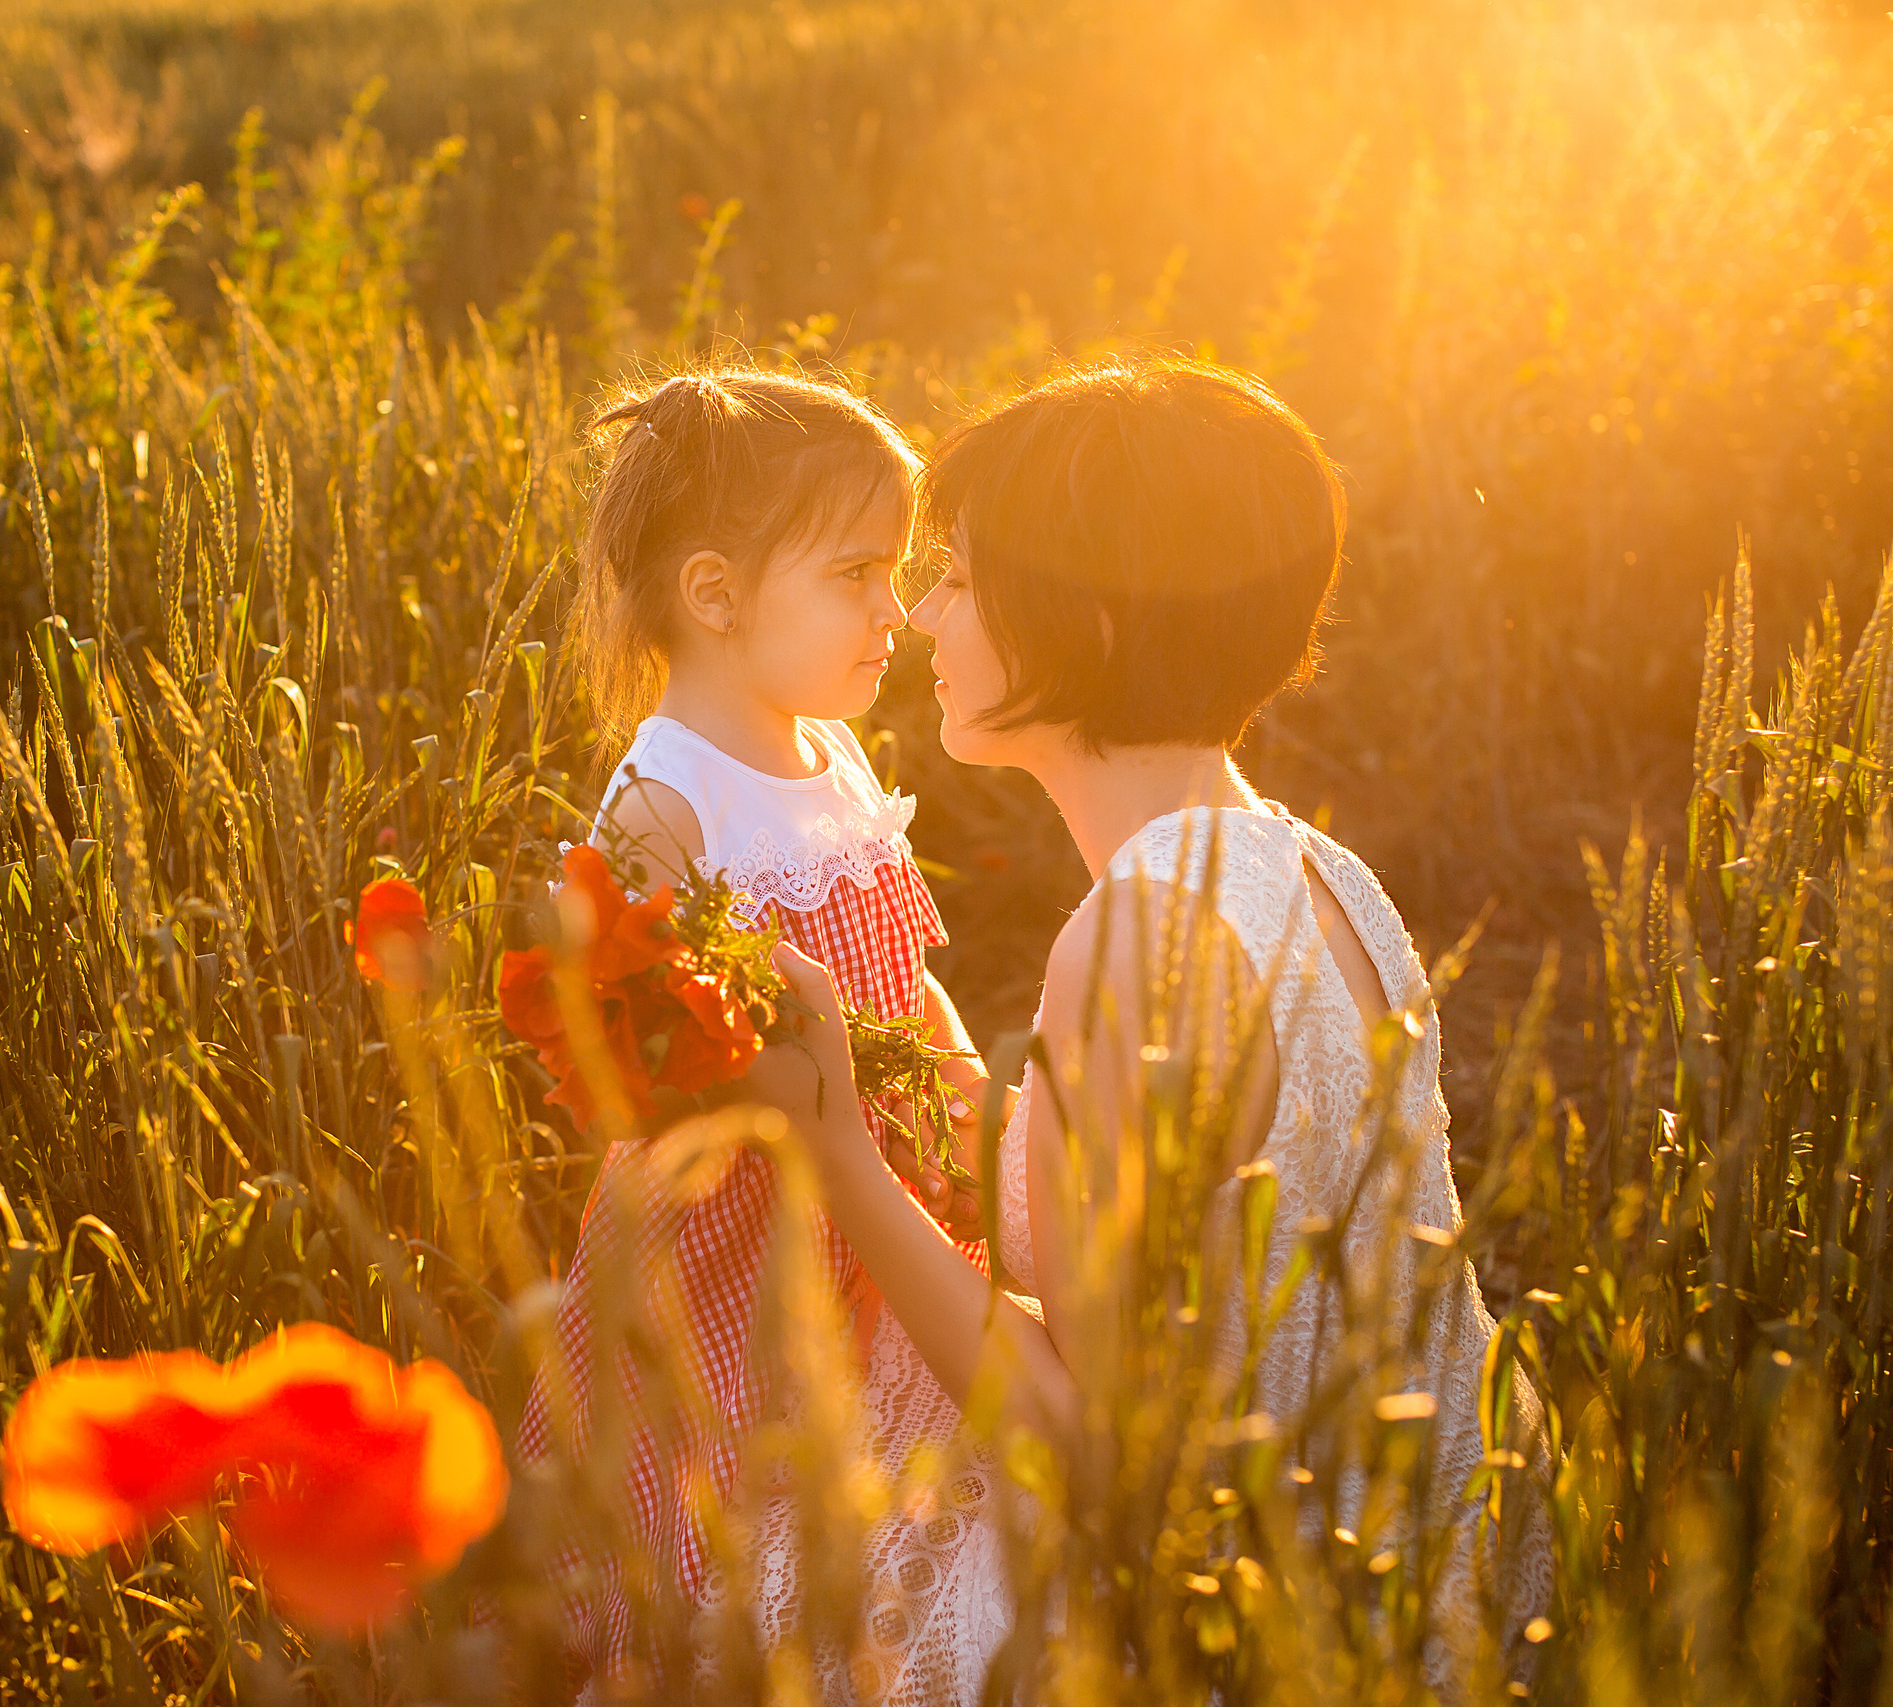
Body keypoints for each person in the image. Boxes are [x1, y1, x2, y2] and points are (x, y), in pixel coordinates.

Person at [756, 357, 1555, 1700]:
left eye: (960, 578)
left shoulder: (1139, 934)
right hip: (1432, 1569)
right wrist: (927, 1060)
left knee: (755, 1577)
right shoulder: (1316, 872)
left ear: (1089, 626)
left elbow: (1099, 1459)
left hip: (1267, 1626)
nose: (924, 615)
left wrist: (835, 1149)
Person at [522, 366, 992, 1698]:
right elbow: (630, 1058)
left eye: (897, 572)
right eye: (855, 575)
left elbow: (901, 963)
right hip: (738, 1224)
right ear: (716, 595)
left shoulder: (830, 752)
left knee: (885, 1452)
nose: (894, 610)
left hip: (877, 1175)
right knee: (726, 1481)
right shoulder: (666, 801)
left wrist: (959, 1085)